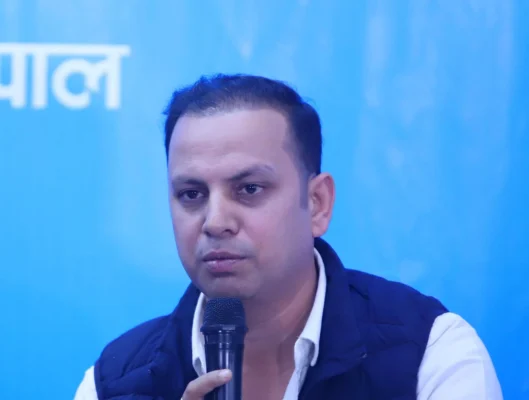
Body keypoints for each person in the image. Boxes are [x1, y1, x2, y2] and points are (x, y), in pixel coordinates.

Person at [74, 74, 502, 400]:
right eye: (191, 194)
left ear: (317, 203)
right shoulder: (114, 381)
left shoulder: (429, 353)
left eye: (249, 189)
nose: (215, 221)